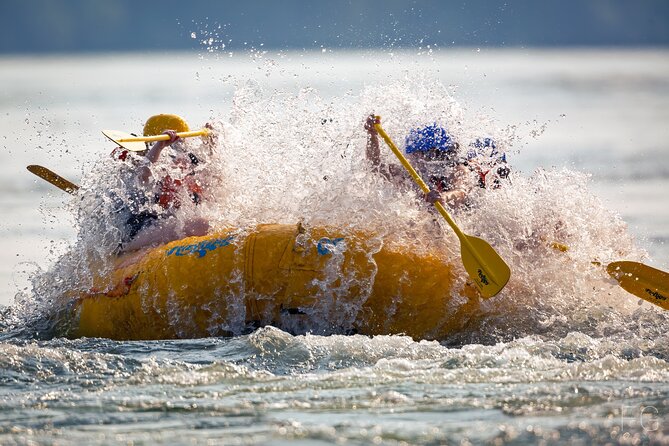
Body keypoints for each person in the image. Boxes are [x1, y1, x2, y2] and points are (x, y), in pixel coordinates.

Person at [112, 114, 213, 253]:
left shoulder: (189, 163)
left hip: (164, 226)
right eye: (174, 147)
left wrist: (211, 144)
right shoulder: (139, 164)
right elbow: (144, 177)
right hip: (137, 233)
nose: (179, 153)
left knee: (211, 221)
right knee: (200, 225)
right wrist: (160, 146)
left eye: (181, 146)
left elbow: (214, 180)